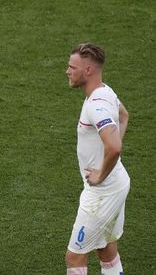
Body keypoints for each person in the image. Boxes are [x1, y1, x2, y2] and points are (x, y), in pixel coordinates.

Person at [64, 43, 130, 275]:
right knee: (105, 248)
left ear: (88, 70)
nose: (67, 71)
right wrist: (107, 159)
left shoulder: (97, 105)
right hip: (116, 184)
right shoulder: (106, 92)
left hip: (102, 193)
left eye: (72, 67)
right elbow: (124, 116)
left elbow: (114, 147)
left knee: (75, 257)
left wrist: (101, 172)